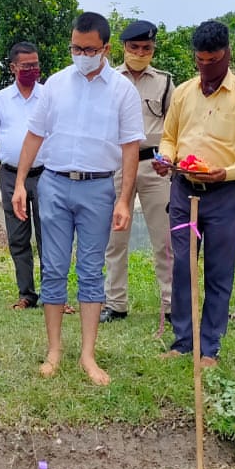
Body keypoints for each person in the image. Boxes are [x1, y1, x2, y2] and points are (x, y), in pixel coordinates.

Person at [11, 12, 144, 385]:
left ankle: (88, 354)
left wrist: (123, 199)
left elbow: (130, 148)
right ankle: (53, 351)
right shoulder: (55, 84)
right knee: (52, 267)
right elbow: (34, 135)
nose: (81, 54)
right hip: (53, 183)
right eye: (75, 47)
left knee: (90, 270)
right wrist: (21, 182)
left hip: (98, 187)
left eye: (88, 49)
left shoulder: (122, 91)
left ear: (104, 48)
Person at [156, 19, 235, 365]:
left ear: (227, 54)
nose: (206, 67)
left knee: (219, 269)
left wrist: (229, 172)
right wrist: (166, 158)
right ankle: (182, 342)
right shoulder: (183, 93)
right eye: (200, 60)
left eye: (214, 60)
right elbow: (170, 137)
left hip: (223, 194)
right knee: (182, 266)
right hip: (182, 191)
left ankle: (210, 347)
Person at [101, 20, 175, 325]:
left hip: (155, 164)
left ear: (153, 48)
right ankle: (115, 302)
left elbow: (174, 126)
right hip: (117, 163)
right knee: (115, 238)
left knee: (166, 238)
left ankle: (172, 304)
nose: (140, 53)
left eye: (146, 48)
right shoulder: (108, 80)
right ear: (123, 48)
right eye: (134, 48)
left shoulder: (165, 82)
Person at [0, 42, 47, 310]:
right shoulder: (1, 99)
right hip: (9, 175)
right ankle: (27, 294)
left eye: (35, 64)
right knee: (18, 236)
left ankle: (54, 294)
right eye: (26, 66)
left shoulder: (48, 95)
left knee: (49, 235)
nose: (32, 70)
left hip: (45, 174)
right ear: (13, 67)